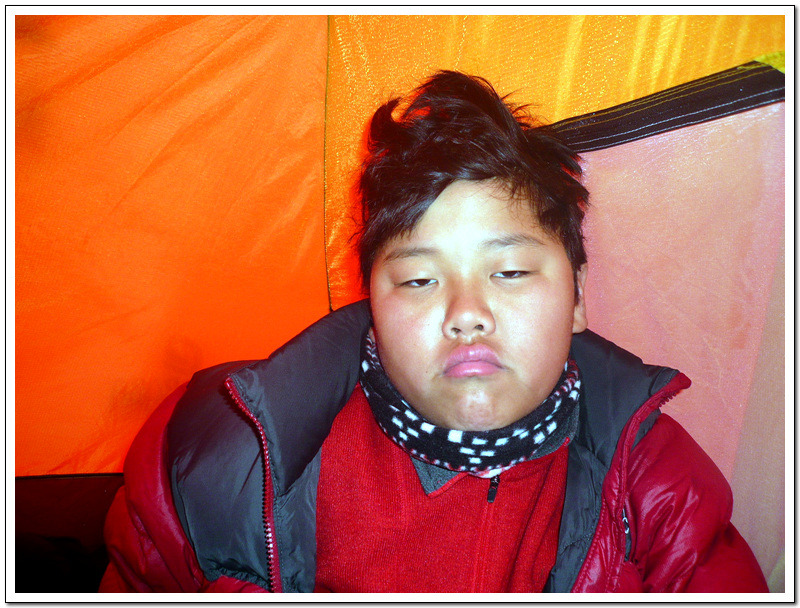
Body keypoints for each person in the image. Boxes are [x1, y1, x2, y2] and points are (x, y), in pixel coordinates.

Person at [100, 71, 768, 593]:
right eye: (420, 280)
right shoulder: (215, 455)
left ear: (577, 298)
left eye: (510, 271)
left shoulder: (658, 488)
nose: (466, 312)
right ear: (371, 300)